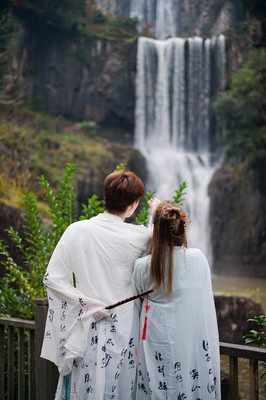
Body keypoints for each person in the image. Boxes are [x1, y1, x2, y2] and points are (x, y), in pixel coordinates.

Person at [41, 170, 151, 400]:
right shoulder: (141, 237)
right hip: (125, 327)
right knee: (120, 388)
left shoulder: (76, 230)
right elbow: (167, 237)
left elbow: (52, 279)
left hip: (87, 325)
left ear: (106, 196)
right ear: (133, 204)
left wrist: (86, 304)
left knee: (84, 388)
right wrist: (156, 210)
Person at [133, 200, 221, 399]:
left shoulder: (142, 266)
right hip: (188, 343)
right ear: (183, 228)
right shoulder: (197, 259)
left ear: (154, 231)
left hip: (154, 343)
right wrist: (157, 212)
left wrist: (154, 216)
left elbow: (137, 304)